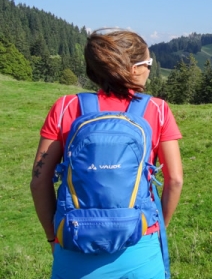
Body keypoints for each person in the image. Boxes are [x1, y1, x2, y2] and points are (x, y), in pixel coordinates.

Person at [30, 29, 184, 279]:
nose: (149, 70)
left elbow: (39, 182)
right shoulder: (158, 109)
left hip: (74, 245)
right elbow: (175, 180)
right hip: (139, 245)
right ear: (132, 68)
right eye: (148, 63)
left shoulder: (66, 107)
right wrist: (155, 229)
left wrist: (53, 236)